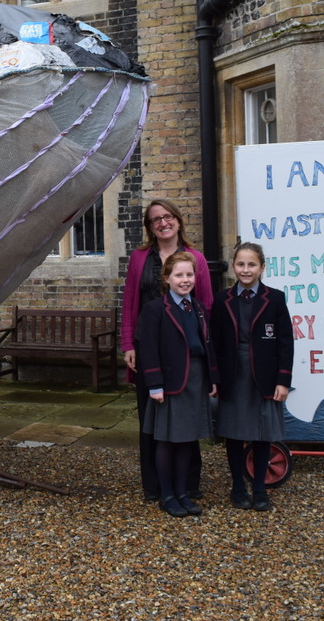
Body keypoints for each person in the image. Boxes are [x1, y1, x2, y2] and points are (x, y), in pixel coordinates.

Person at [120, 200, 213, 500]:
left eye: (167, 216)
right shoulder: (138, 258)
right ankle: (155, 487)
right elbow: (130, 302)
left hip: (186, 352)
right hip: (148, 350)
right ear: (150, 227)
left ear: (178, 220)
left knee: (187, 417)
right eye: (155, 219)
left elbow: (207, 307)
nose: (162, 223)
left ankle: (187, 485)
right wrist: (127, 345)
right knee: (151, 418)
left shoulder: (195, 258)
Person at [210, 242, 293, 512]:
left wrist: (283, 380)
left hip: (264, 376)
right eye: (241, 264)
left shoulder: (276, 298)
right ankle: (237, 487)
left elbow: (285, 342)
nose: (246, 270)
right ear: (234, 266)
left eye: (252, 264)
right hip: (233, 375)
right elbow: (215, 343)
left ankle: (259, 488)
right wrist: (214, 377)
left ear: (262, 267)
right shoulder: (222, 300)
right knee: (234, 433)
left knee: (261, 433)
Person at [135, 252, 219, 517]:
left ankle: (183, 492)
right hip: (169, 382)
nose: (185, 280)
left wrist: (213, 378)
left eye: (189, 275)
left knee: (187, 440)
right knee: (167, 441)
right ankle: (167, 495)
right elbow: (148, 349)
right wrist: (155, 384)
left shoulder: (199, 309)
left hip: (195, 379)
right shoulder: (155, 309)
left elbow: (208, 346)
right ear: (167, 278)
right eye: (179, 275)